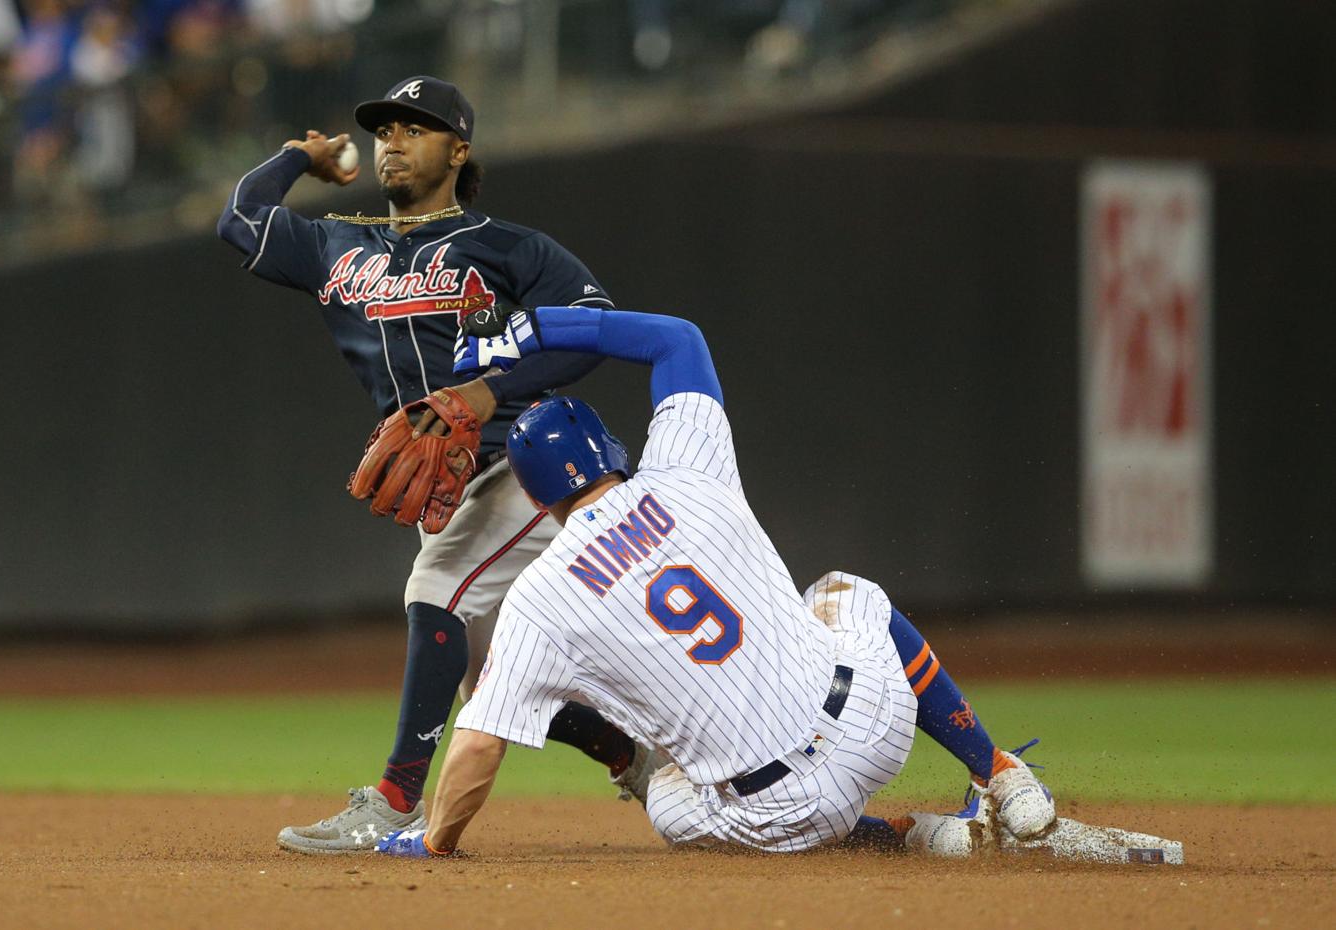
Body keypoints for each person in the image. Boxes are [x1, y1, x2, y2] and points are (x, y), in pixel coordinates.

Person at [374, 305, 1057, 857]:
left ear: (535, 498)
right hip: (873, 729)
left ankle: (912, 838)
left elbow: (480, 742)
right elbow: (677, 341)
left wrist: (435, 841)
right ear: (609, 450)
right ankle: (997, 772)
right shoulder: (684, 467)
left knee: (668, 796)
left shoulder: (539, 598)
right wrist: (537, 329)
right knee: (846, 592)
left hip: (780, 813)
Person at [216, 76, 654, 854]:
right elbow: (240, 218)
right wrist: (297, 156)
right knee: (487, 682)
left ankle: (393, 802)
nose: (393, 140)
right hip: (451, 485)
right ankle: (637, 757)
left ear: (458, 149)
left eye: (415, 129)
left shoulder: (508, 246)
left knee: (433, 591)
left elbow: (596, 328)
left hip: (529, 467)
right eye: (385, 128)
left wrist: (491, 391)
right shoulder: (336, 245)